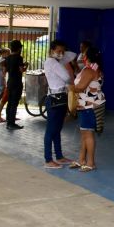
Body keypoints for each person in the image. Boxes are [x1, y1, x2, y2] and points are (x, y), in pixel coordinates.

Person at [69, 47, 105, 172]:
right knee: (85, 134)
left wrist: (70, 87)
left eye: (83, 54)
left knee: (88, 135)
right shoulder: (95, 69)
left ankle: (90, 163)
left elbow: (80, 87)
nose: (81, 56)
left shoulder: (89, 70)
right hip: (87, 106)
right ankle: (81, 160)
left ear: (87, 57)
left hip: (88, 107)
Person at [42, 40, 75, 169]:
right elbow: (67, 77)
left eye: (63, 51)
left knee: (57, 129)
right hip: (55, 98)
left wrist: (62, 55)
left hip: (60, 97)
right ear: (51, 50)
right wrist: (62, 60)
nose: (61, 53)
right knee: (51, 129)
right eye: (58, 51)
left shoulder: (56, 62)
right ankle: (48, 159)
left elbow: (72, 55)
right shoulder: (52, 62)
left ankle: (59, 156)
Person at [4, 39, 27, 130]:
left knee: (10, 102)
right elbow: (22, 70)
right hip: (17, 82)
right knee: (14, 103)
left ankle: (8, 121)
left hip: (10, 82)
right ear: (19, 48)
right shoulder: (19, 57)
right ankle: (11, 123)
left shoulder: (8, 58)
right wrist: (26, 66)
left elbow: (5, 70)